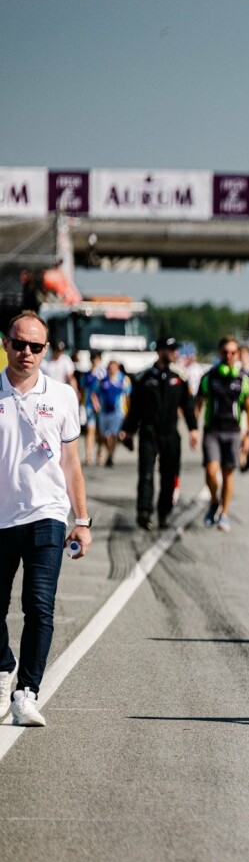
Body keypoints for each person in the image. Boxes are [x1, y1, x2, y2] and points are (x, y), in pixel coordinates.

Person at [0, 311, 92, 727]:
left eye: (36, 346)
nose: (27, 353)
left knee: (39, 606)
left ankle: (26, 692)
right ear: (5, 344)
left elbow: (71, 462)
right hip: (1, 519)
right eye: (19, 344)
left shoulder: (62, 396)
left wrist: (83, 519)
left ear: (46, 349)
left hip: (47, 515)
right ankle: (4, 667)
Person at [119, 337, 198, 531]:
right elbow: (135, 409)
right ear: (160, 351)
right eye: (170, 349)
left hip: (170, 433)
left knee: (170, 475)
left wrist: (193, 429)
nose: (174, 352)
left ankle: (164, 514)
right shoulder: (145, 378)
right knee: (146, 474)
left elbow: (188, 407)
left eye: (175, 349)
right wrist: (128, 431)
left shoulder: (179, 378)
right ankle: (144, 513)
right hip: (149, 432)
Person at [195, 336, 249, 532]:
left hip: (233, 432)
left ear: (237, 354)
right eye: (225, 352)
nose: (228, 356)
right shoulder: (210, 376)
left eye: (232, 352)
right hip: (212, 430)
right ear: (220, 353)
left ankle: (224, 514)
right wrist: (193, 428)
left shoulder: (242, 379)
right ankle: (214, 501)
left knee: (228, 474)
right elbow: (199, 401)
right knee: (211, 472)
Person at [95, 359, 131, 467]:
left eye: (114, 367)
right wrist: (96, 405)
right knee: (105, 435)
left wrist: (128, 410)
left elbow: (127, 396)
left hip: (117, 411)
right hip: (104, 411)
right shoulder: (103, 379)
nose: (112, 369)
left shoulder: (124, 379)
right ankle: (109, 452)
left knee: (114, 434)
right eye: (110, 367)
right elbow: (95, 392)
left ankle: (111, 455)